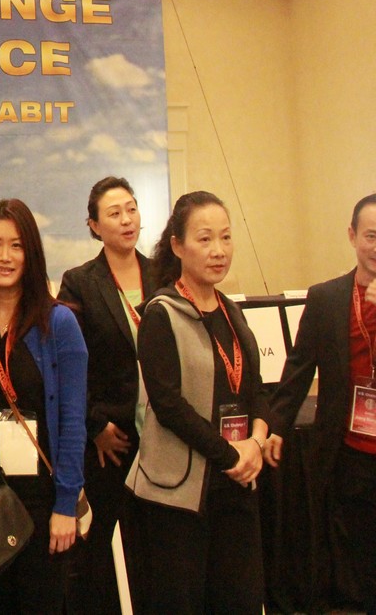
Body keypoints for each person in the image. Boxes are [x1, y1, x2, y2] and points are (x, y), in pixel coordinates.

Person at [126, 190, 268, 614]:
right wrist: (230, 454)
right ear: (177, 246)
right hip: (179, 495)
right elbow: (169, 406)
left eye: (225, 237)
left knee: (240, 599)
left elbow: (257, 389)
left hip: (236, 482)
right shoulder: (161, 313)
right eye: (205, 239)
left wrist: (256, 443)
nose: (218, 250)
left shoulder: (232, 312)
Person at [0, 198, 88, 614]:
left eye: (16, 245)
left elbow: (73, 421)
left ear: (31, 252)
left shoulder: (60, 324)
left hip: (43, 502)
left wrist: (65, 505)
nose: (5, 256)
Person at [265, 192, 376, 615]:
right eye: (371, 236)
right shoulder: (327, 298)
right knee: (354, 557)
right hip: (347, 451)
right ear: (352, 236)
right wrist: (276, 425)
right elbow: (298, 369)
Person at [59, 177, 156, 614]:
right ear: (95, 226)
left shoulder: (163, 274)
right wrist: (95, 425)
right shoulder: (80, 282)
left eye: (131, 209)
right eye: (114, 213)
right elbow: (68, 366)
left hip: (163, 434)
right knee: (99, 550)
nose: (126, 220)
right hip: (110, 439)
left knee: (153, 546)